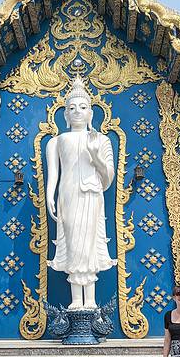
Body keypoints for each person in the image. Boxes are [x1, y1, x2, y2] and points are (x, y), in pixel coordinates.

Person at [46, 75, 118, 309]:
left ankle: (92, 302)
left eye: (83, 107)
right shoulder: (57, 141)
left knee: (89, 246)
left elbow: (108, 178)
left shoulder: (101, 140)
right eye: (72, 108)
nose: (77, 111)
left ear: (91, 114)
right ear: (65, 115)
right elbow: (53, 175)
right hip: (68, 195)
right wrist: (50, 195)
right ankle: (77, 301)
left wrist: (96, 157)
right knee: (74, 246)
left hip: (92, 195)